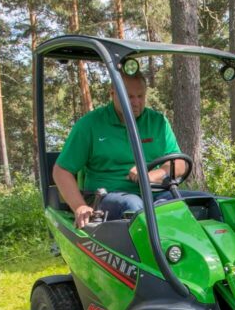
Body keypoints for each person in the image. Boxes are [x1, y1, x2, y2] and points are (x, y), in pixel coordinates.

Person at [52, 71, 190, 228]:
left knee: (204, 201)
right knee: (134, 207)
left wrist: (152, 175)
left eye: (140, 96)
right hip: (107, 197)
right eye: (129, 97)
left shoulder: (158, 122)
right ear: (113, 94)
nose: (136, 102)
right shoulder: (90, 125)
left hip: (156, 193)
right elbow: (61, 171)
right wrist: (79, 206)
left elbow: (180, 163)